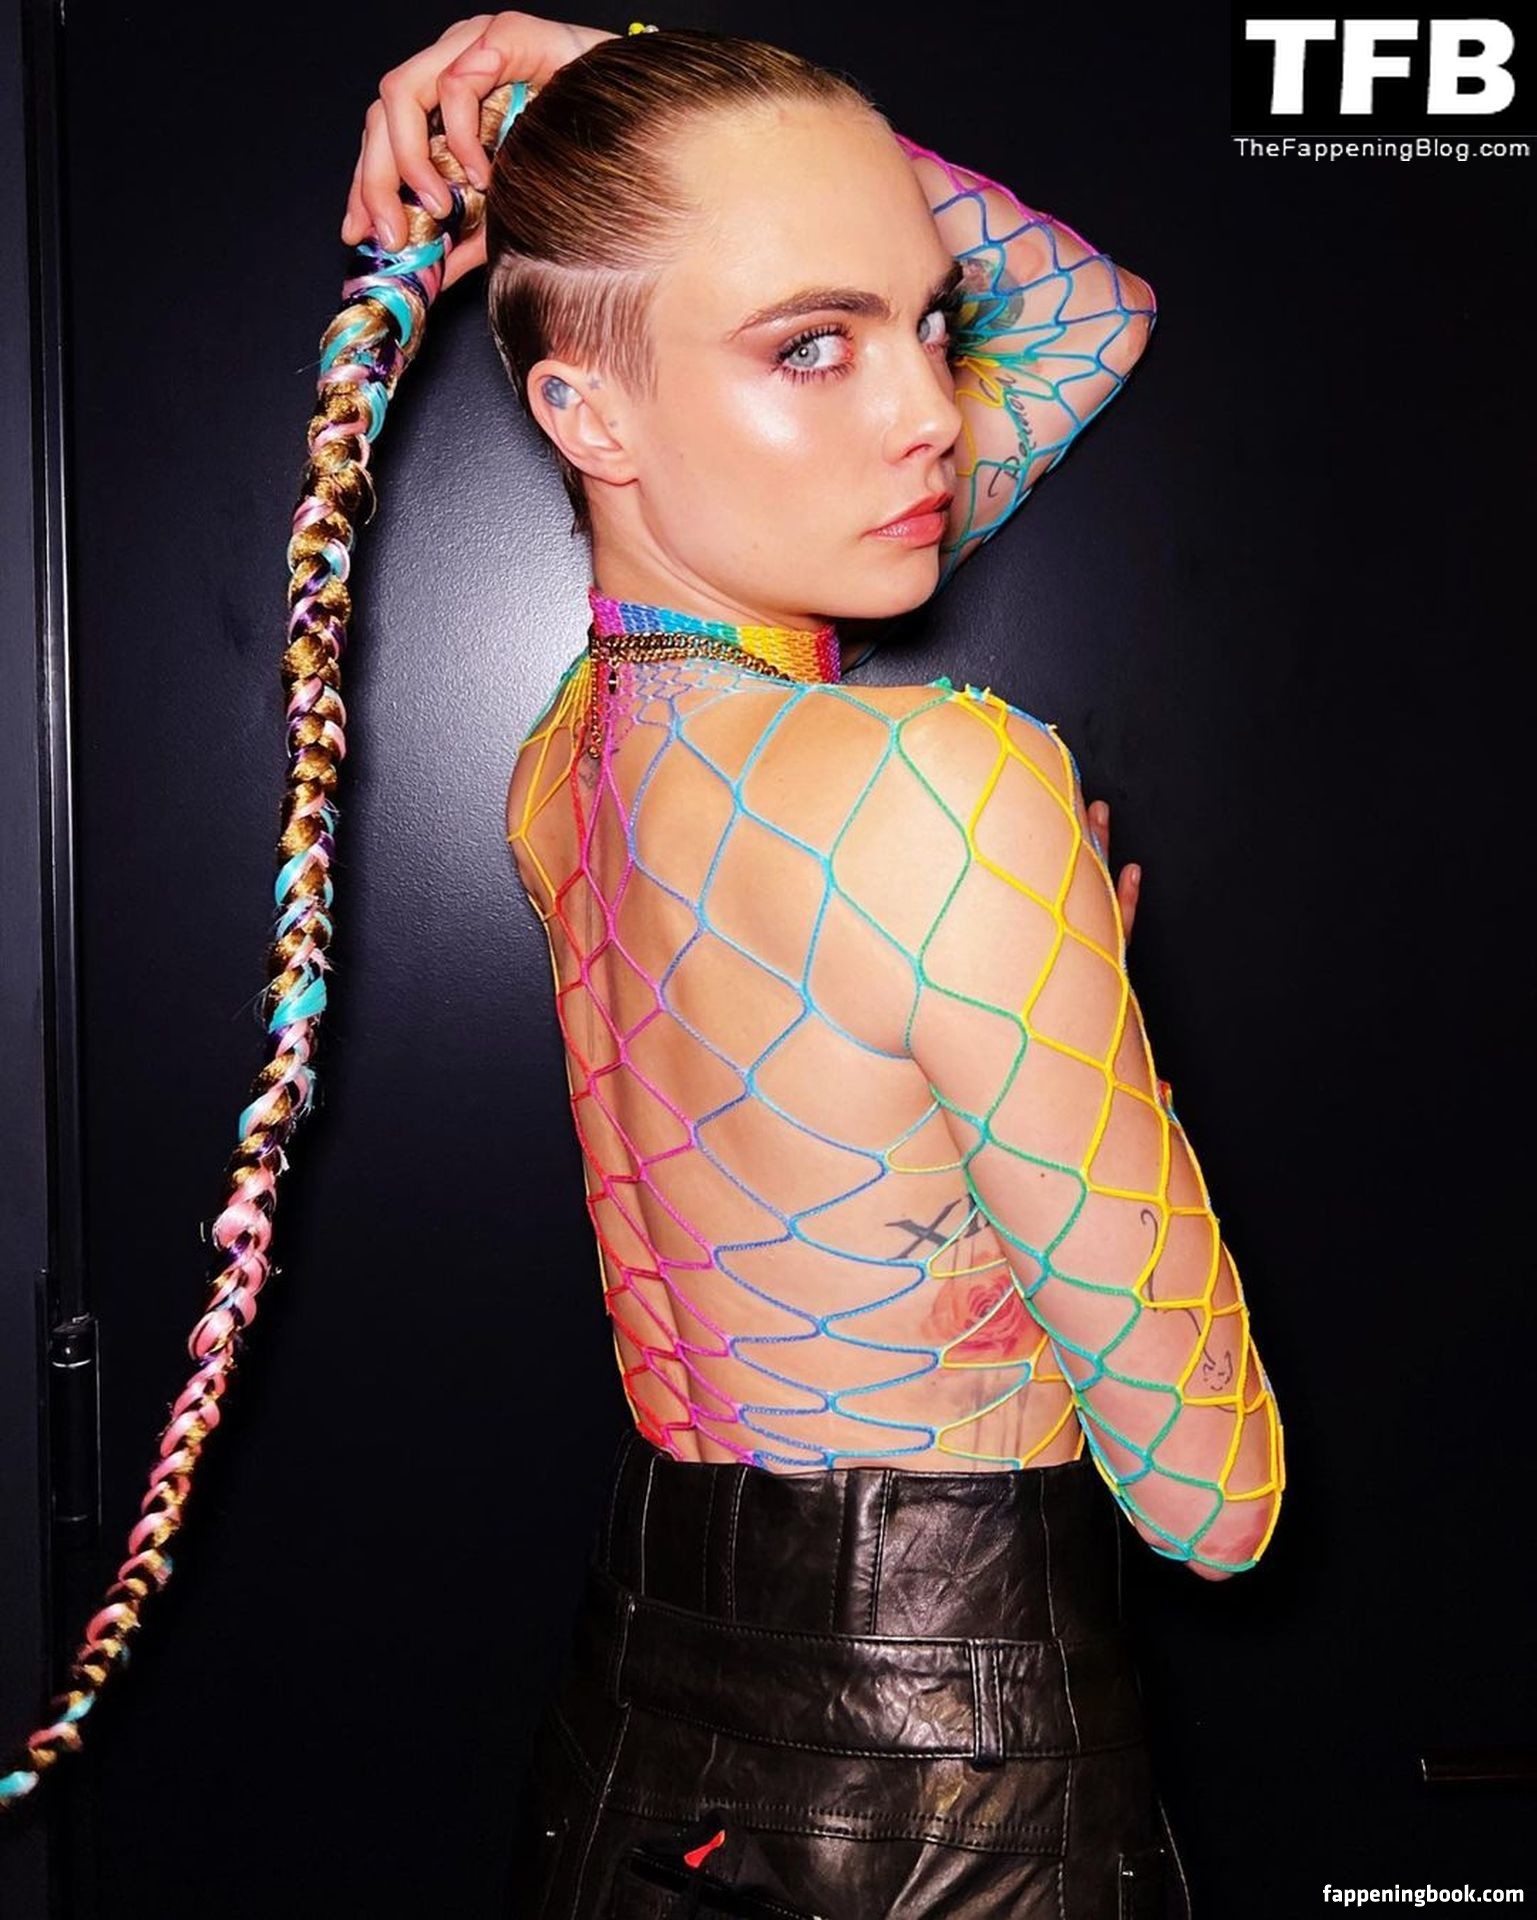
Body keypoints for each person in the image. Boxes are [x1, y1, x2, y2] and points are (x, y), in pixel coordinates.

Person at [0, 13, 1285, 1917]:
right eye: (809, 345)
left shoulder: (565, 763)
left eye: (928, 325)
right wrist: (1080, 992)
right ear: (588, 418)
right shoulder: (944, 789)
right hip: (952, 1797)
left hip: (633, 1746)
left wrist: (627, 94)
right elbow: (1214, 1498)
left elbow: (1093, 318)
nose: (931, 413)